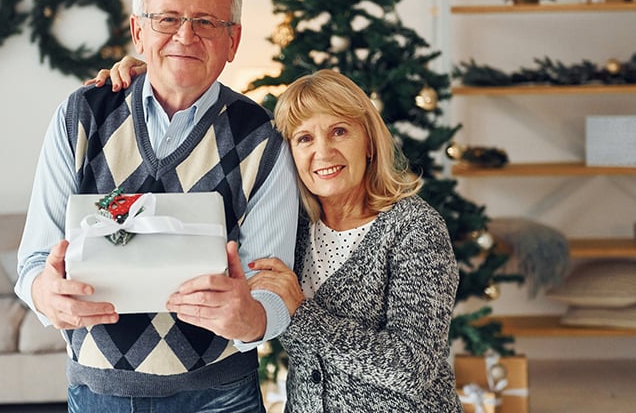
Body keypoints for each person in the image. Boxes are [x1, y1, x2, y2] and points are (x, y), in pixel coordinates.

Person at [15, 0, 298, 413]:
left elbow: (271, 284)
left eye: (207, 22)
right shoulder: (81, 115)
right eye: (167, 18)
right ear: (138, 31)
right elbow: (34, 262)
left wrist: (253, 317)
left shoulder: (261, 139)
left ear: (234, 41)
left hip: (221, 395)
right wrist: (45, 296)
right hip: (98, 394)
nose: (186, 35)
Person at [97, 66, 462, 411]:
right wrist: (160, 76)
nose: (324, 152)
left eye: (339, 131)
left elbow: (412, 369)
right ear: (289, 155)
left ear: (368, 141)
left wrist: (300, 313)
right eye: (304, 138)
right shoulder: (292, 226)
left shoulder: (414, 228)